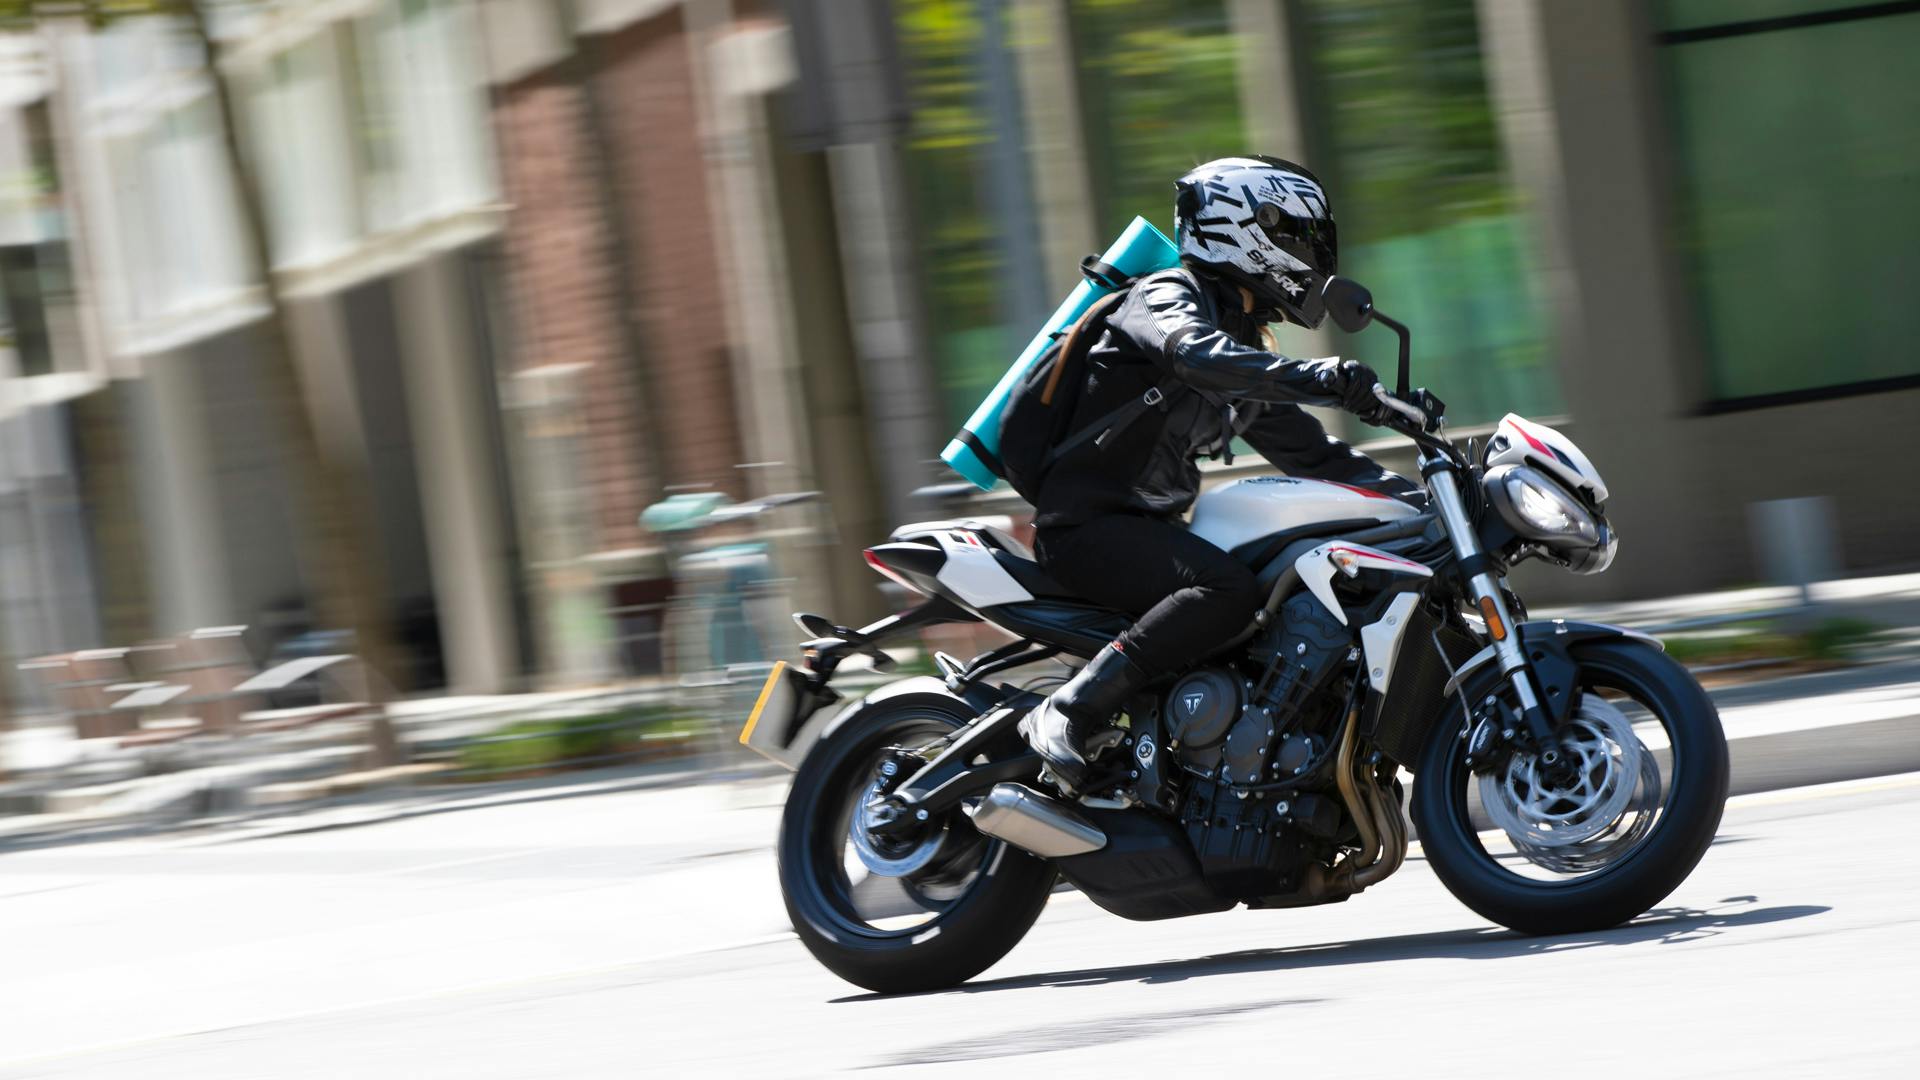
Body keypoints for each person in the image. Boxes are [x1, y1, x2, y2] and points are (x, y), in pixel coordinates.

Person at [1019, 156, 1423, 790]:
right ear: (1246, 229)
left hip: (1151, 529)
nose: (1311, 258)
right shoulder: (1164, 295)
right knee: (1228, 590)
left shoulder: (1246, 353)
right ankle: (1068, 710)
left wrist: (1426, 507)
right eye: (1297, 237)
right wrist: (1321, 379)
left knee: (1277, 594)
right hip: (1087, 527)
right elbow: (1194, 354)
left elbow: (1318, 458)